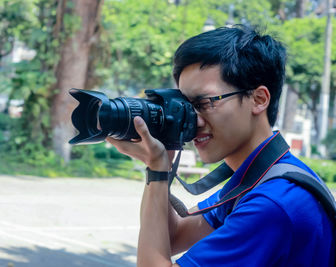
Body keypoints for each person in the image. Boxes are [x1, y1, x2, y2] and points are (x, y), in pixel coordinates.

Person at [107, 25, 334, 266]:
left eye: (203, 102)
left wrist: (157, 169)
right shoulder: (266, 176)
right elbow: (172, 236)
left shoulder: (272, 203)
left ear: (258, 99)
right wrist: (159, 163)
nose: (192, 120)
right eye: (185, 106)